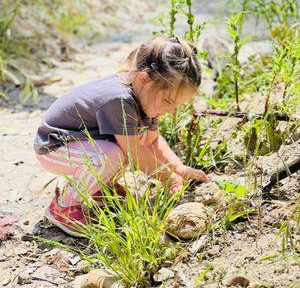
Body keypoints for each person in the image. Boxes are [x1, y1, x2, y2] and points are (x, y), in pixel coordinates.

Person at [34, 35, 208, 236]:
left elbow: (153, 141)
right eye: (169, 101)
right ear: (145, 79)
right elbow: (135, 153)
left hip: (80, 145)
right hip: (54, 146)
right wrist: (168, 177)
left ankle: (101, 187)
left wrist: (178, 168)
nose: (171, 110)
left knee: (126, 145)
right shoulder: (119, 100)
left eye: (176, 105)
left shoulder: (145, 97)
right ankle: (64, 205)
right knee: (117, 153)